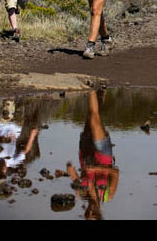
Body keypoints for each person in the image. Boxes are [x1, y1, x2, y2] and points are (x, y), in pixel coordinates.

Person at [66, 90, 119, 220]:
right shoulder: (108, 195)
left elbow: (73, 175)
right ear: (100, 214)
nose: (90, 211)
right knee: (94, 120)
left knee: (91, 117)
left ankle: (101, 91)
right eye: (94, 215)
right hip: (104, 155)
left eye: (87, 215)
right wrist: (97, 169)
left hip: (85, 154)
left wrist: (70, 171)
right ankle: (91, 86)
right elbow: (116, 172)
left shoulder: (82, 194)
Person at [0, 100, 40, 176]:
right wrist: (33, 134)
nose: (2, 170)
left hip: (2, 124)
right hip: (16, 125)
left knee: (8, 103)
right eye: (3, 173)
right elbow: (26, 150)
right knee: (20, 104)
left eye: (0, 172)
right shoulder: (13, 162)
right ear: (5, 171)